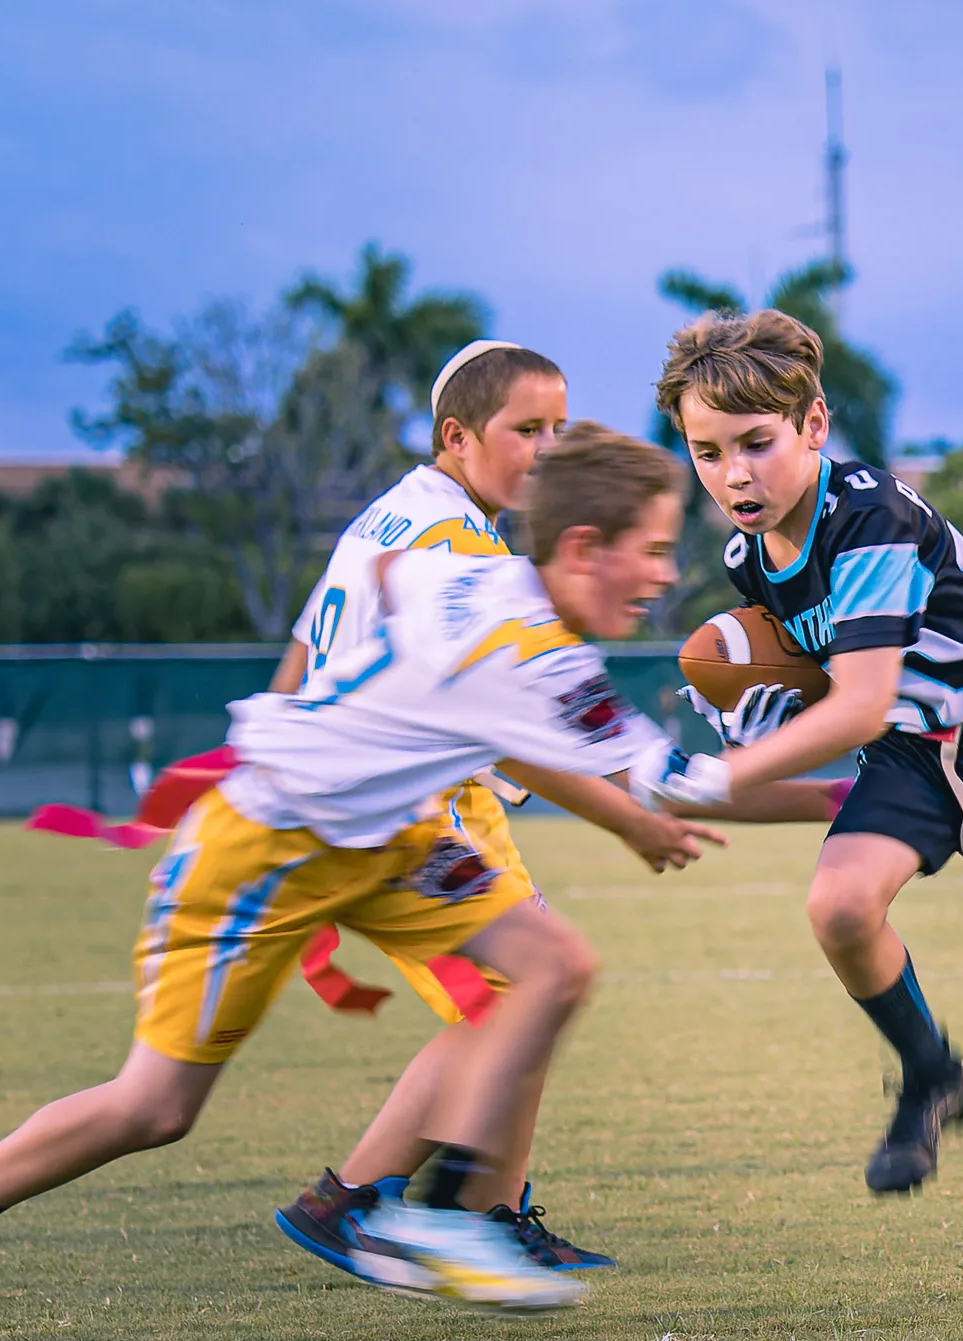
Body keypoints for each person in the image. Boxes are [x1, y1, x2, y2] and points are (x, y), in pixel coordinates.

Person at [0, 423, 828, 1341]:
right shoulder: (526, 643)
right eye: (651, 552)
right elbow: (684, 783)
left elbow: (391, 580)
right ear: (581, 547)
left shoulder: (470, 578)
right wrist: (857, 794)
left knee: (551, 965)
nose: (663, 578)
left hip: (389, 839)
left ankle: (445, 1213)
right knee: (154, 1108)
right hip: (267, 848)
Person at [651, 308, 963, 1252]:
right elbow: (836, 693)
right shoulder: (745, 558)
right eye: (707, 453)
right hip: (918, 748)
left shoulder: (869, 515)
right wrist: (756, 719)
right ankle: (933, 1075)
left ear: (813, 425)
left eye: (757, 443)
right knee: (840, 907)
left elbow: (863, 700)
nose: (735, 475)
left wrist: (720, 774)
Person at [267, 340, 708, 1277]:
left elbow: (301, 657)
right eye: (527, 430)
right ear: (457, 437)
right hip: (418, 802)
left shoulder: (387, 521)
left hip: (407, 793)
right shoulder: (457, 544)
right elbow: (509, 728)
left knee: (531, 989)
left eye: (560, 428)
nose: (549, 450)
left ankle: (489, 1209)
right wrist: (631, 809)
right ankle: (352, 1201)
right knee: (515, 996)